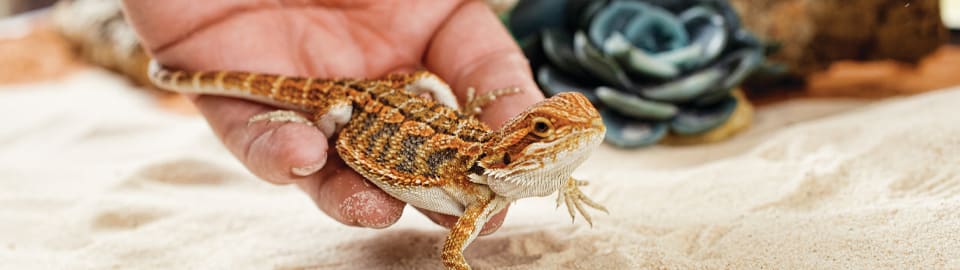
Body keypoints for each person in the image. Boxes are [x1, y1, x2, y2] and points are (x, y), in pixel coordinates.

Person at [121, 0, 543, 234]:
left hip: (389, 96)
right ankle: (317, 131)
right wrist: (318, 127)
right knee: (324, 127)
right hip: (345, 101)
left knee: (425, 83)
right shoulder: (340, 104)